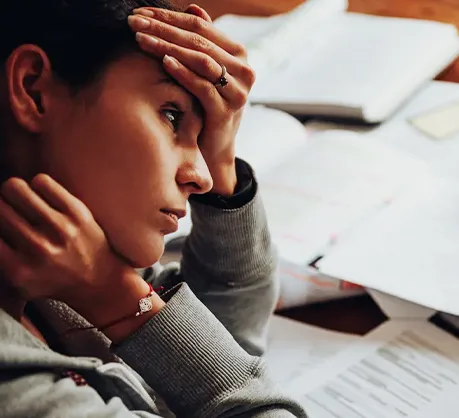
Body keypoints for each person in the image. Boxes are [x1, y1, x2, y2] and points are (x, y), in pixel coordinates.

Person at [0, 0, 306, 417]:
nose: (204, 178)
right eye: (171, 114)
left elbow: (217, 347)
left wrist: (224, 165)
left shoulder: (59, 250)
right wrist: (117, 298)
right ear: (34, 88)